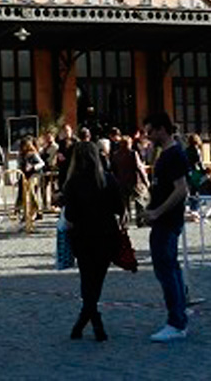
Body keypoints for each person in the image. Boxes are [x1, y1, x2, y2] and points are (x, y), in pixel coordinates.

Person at [63, 142, 123, 342]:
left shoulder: (73, 183)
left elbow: (70, 216)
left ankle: (88, 319)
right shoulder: (108, 180)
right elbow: (120, 208)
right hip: (106, 235)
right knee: (97, 280)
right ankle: (92, 319)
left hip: (83, 237)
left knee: (87, 279)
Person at [142, 112, 189, 342]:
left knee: (166, 270)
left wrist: (158, 211)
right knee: (171, 268)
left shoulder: (174, 154)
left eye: (150, 131)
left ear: (162, 129)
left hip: (167, 220)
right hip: (162, 218)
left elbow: (181, 189)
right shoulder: (165, 154)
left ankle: (176, 321)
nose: (148, 136)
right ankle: (178, 315)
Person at [110, 136, 149, 228]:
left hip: (121, 183)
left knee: (124, 204)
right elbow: (139, 168)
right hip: (134, 182)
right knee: (139, 201)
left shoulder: (116, 155)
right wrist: (145, 180)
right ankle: (140, 220)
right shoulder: (133, 153)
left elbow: (113, 170)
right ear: (129, 144)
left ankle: (124, 222)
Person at [15, 138, 45, 221]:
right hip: (24, 175)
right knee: (24, 194)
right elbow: (19, 166)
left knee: (31, 191)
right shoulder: (20, 155)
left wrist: (33, 167)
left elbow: (42, 163)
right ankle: (26, 214)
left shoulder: (33, 154)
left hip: (34, 175)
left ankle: (37, 210)